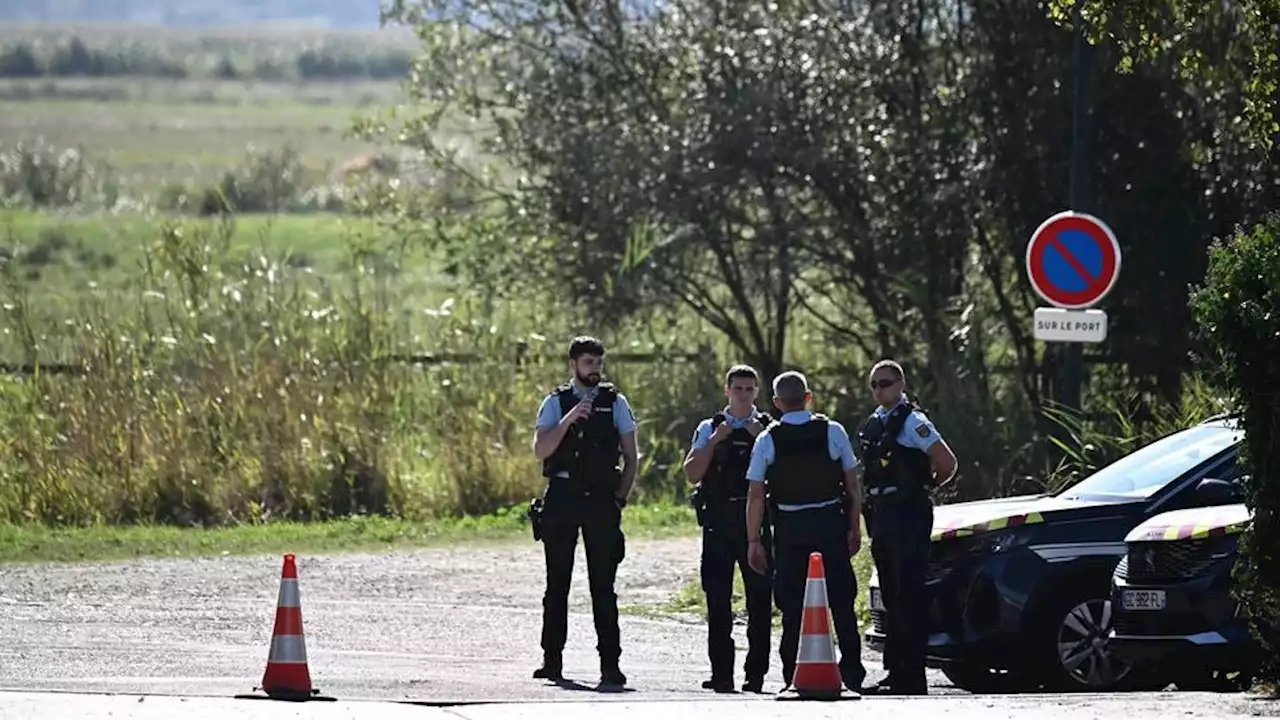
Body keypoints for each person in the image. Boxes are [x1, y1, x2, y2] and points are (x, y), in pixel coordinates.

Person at [745, 370, 866, 694]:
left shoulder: (767, 439)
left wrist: (753, 540)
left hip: (790, 530)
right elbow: (853, 485)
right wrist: (854, 528)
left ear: (776, 403)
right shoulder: (833, 431)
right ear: (808, 397)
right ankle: (852, 673)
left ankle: (792, 676)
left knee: (792, 605)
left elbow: (756, 495)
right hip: (829, 524)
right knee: (842, 601)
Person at [530, 335, 639, 687]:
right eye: (588, 363)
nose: (595, 369)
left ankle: (611, 664)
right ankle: (552, 660)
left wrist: (619, 497)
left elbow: (631, 456)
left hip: (600, 499)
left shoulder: (615, 403)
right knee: (557, 583)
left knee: (602, 586)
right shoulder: (556, 402)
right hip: (563, 495)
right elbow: (540, 449)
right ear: (573, 365)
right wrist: (569, 419)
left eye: (598, 363)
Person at [856, 359, 957, 696]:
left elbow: (946, 462)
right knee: (891, 594)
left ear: (900, 384)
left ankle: (912, 676)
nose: (879, 389)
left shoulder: (913, 421)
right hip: (882, 515)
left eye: (885, 382)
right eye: (874, 384)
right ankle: (895, 673)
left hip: (908, 514)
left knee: (908, 595)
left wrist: (923, 488)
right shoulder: (875, 423)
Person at [683, 364, 775, 694]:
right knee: (718, 600)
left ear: (757, 392)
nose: (743, 395)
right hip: (718, 522)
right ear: (727, 391)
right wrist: (713, 440)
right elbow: (692, 472)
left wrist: (758, 438)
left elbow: (782, 475)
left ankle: (756, 674)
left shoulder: (767, 427)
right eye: (738, 389)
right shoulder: (710, 426)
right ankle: (721, 672)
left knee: (760, 601)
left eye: (750, 389)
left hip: (756, 522)